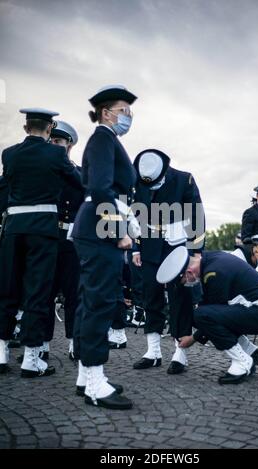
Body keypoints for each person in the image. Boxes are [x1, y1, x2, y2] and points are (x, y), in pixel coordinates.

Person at [0, 108, 82, 377]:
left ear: (25, 128)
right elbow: (80, 182)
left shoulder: (9, 154)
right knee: (38, 292)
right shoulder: (56, 155)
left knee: (8, 289)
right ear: (49, 130)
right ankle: (32, 359)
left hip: (13, 229)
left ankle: (1, 353)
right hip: (42, 231)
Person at [72, 85, 137, 410]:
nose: (129, 116)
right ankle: (96, 382)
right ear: (106, 112)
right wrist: (117, 231)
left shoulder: (106, 140)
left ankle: (86, 375)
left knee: (89, 301)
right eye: (124, 110)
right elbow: (100, 188)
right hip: (100, 229)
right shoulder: (102, 138)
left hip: (94, 227)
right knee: (100, 302)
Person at [156, 246, 258, 384]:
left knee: (202, 316)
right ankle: (250, 351)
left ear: (189, 272)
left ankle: (242, 362)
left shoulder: (213, 273)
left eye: (184, 282)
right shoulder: (210, 259)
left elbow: (209, 316)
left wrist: (192, 339)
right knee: (201, 315)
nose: (187, 285)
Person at [132, 149, 205, 374]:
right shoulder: (138, 180)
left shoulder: (184, 180)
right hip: (150, 244)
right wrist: (136, 246)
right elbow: (135, 215)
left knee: (179, 298)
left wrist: (196, 253)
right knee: (150, 294)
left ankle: (180, 352)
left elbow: (196, 217)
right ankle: (153, 352)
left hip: (177, 246)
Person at [40, 120, 84, 360]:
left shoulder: (79, 174)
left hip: (72, 240)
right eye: (53, 141)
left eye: (60, 141)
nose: (56, 145)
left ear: (69, 145)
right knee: (44, 293)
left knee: (73, 294)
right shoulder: (44, 173)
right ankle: (42, 346)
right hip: (47, 237)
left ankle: (73, 343)